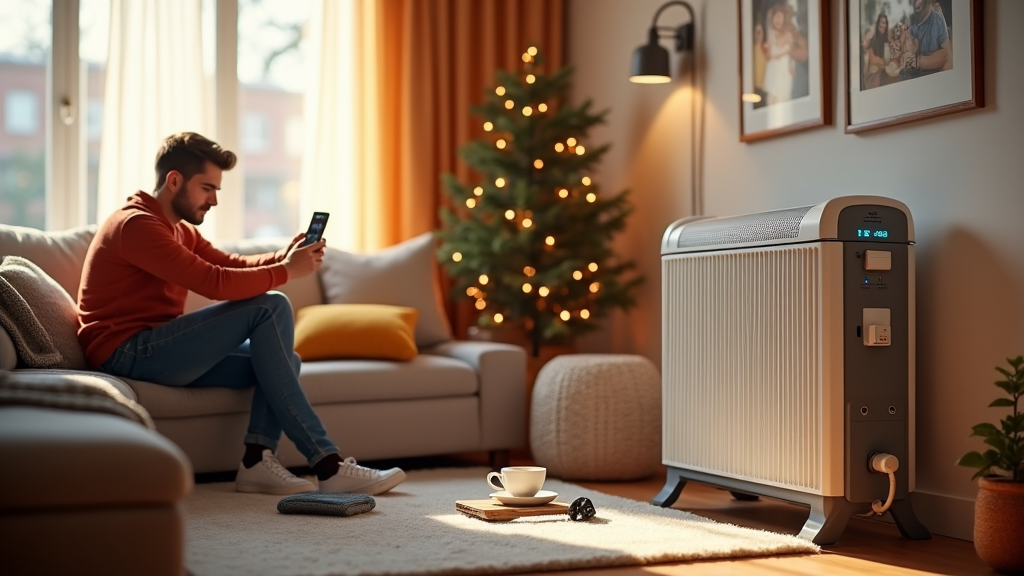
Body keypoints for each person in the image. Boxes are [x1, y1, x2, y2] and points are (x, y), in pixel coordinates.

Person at [77, 132, 406, 496]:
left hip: (160, 349)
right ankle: (327, 463)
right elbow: (215, 282)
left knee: (282, 360)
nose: (214, 200)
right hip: (126, 352)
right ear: (174, 180)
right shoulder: (137, 225)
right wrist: (287, 271)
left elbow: (228, 262)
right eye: (207, 188)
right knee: (271, 304)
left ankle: (256, 461)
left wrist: (284, 257)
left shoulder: (178, 229)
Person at [900, 0, 951, 80]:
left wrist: (917, 62)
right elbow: (906, 56)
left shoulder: (937, 19)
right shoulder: (909, 22)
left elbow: (947, 57)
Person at [762, 2, 796, 105]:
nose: (778, 20)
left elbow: (790, 53)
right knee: (771, 99)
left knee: (783, 100)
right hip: (773, 73)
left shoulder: (788, 35)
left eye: (780, 18)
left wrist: (792, 66)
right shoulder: (771, 35)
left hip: (783, 73)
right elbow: (769, 56)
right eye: (776, 17)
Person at [863, 12, 890, 89]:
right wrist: (885, 63)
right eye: (881, 23)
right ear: (877, 23)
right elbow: (872, 59)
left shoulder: (886, 39)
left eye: (884, 23)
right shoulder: (873, 38)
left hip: (883, 72)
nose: (882, 25)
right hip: (874, 73)